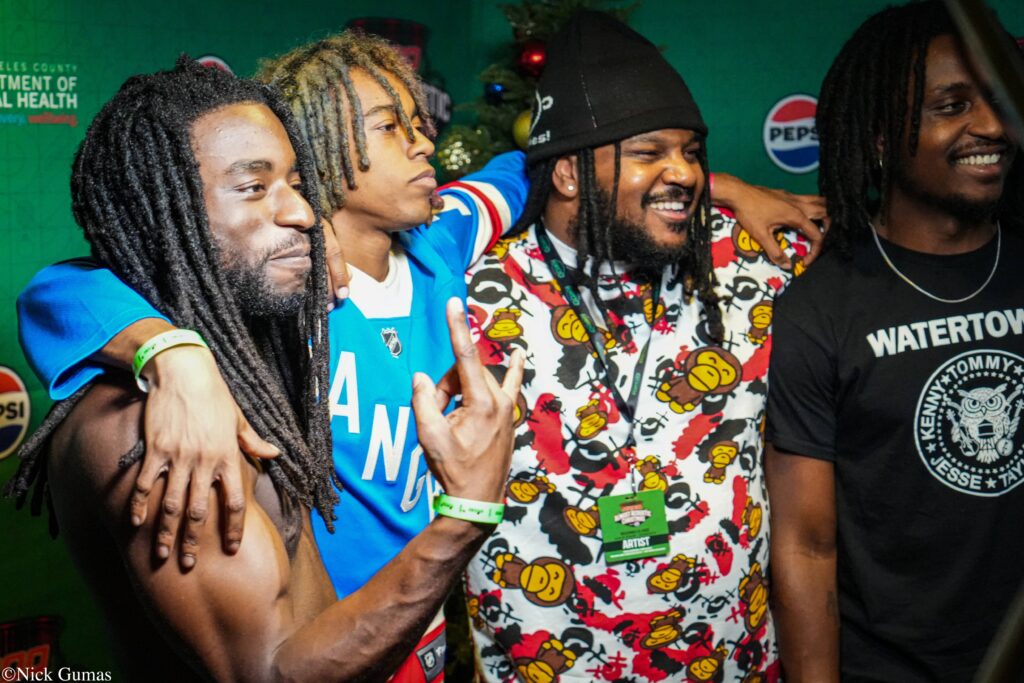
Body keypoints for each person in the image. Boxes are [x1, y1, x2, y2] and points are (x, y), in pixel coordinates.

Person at [16, 27, 822, 682]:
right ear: (325, 153)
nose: (423, 140)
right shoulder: (283, 297)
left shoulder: (444, 246)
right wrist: (171, 352)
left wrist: (712, 184)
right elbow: (63, 287)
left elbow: (555, 162)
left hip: (417, 635)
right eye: (390, 127)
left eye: (418, 120)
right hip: (341, 638)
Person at [7, 58, 525, 682]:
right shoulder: (160, 429)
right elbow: (270, 673)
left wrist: (171, 349)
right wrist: (466, 512)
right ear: (165, 213)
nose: (304, 213)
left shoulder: (251, 350)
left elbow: (506, 183)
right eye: (254, 187)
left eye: (297, 185)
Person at [460, 11, 808, 681]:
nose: (685, 172)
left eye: (693, 152)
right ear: (567, 175)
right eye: (650, 152)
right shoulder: (474, 296)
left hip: (733, 663)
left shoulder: (751, 261)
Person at [765, 2, 1024, 681]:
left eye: (999, 101)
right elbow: (806, 547)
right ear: (880, 136)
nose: (992, 126)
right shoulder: (821, 309)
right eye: (952, 106)